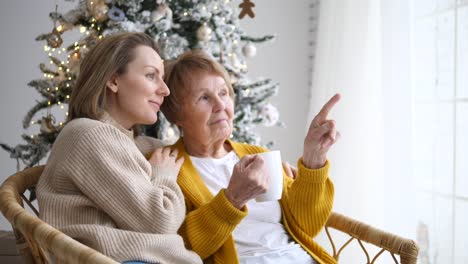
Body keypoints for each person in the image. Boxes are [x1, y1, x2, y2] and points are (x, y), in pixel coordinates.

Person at [36, 32, 202, 264]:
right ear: (113, 80)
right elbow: (159, 221)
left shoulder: (125, 142)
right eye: (151, 76)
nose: (165, 90)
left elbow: (176, 151)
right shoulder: (90, 135)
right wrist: (163, 176)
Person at [161, 50, 340, 264]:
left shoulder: (256, 155)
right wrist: (232, 199)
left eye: (224, 93)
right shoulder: (171, 167)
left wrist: (313, 161)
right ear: (176, 114)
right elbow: (183, 246)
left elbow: (307, 225)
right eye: (204, 98)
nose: (221, 106)